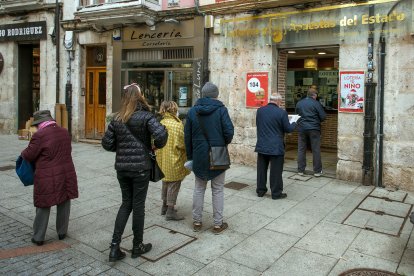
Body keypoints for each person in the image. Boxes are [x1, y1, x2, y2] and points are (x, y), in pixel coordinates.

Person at [102, 84, 168, 262]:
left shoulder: (117, 118)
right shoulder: (146, 116)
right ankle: (137, 245)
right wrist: (156, 142)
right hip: (140, 168)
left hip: (122, 169)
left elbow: (107, 144)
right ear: (140, 97)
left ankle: (114, 247)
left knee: (126, 204)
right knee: (138, 206)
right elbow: (161, 137)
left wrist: (122, 148)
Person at [21, 110, 78, 246]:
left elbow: (29, 155)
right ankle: (62, 232)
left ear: (39, 123)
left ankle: (38, 237)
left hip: (46, 175)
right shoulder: (64, 132)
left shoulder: (40, 135)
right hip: (66, 172)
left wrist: (23, 151)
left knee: (43, 204)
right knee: (64, 201)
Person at [184, 82, 234, 234]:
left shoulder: (193, 111)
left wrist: (190, 155)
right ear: (216, 95)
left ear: (203, 94)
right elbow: (229, 131)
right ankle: (218, 224)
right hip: (218, 153)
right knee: (218, 189)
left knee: (199, 188)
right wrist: (221, 144)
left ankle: (197, 222)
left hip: (199, 154)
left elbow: (187, 136)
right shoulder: (221, 110)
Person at [255, 93, 297, 199]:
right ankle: (276, 193)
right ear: (278, 101)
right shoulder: (281, 113)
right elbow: (288, 129)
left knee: (261, 170)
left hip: (262, 144)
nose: (280, 103)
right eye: (280, 102)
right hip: (276, 146)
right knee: (276, 171)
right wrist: (294, 122)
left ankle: (260, 191)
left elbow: (259, 125)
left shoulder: (260, 111)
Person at [156, 101, 190, 220]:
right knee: (174, 183)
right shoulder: (177, 125)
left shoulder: (161, 123)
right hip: (174, 158)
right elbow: (182, 144)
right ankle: (170, 211)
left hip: (162, 159)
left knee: (165, 182)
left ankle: (164, 207)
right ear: (174, 110)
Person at [295, 87, 326, 177]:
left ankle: (300, 170)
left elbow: (296, 115)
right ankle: (317, 171)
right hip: (314, 129)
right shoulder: (316, 103)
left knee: (301, 149)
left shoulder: (299, 103)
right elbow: (323, 117)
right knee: (315, 149)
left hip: (302, 128)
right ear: (314, 95)